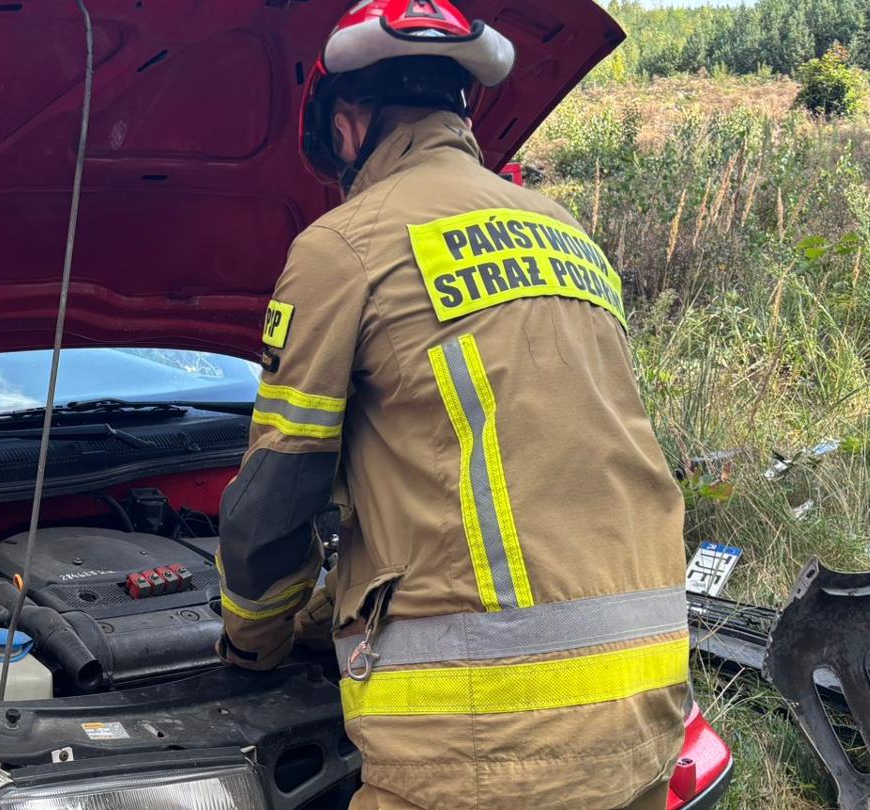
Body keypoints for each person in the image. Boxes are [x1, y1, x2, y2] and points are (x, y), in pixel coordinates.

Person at [214, 2, 689, 808]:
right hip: (647, 703)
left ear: (351, 122)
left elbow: (276, 496)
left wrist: (254, 641)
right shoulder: (565, 231)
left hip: (486, 733)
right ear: (459, 107)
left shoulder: (345, 245)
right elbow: (515, 449)